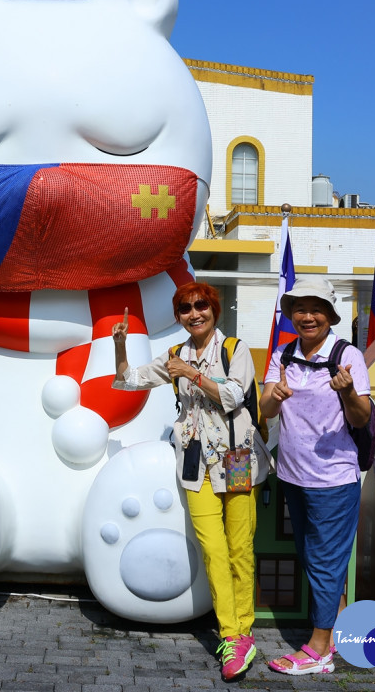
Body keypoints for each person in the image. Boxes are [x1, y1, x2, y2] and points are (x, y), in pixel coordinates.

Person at [112, 281, 268, 682]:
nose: (194, 312)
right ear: (179, 315)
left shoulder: (235, 350)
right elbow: (129, 379)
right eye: (185, 307)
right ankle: (232, 635)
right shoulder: (175, 355)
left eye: (201, 305)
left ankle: (243, 631)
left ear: (213, 309)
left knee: (239, 548)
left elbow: (233, 396)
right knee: (213, 550)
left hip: (235, 459)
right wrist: (120, 345)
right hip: (195, 463)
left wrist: (192, 376)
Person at [259, 278, 372, 676]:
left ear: (330, 315)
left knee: (324, 560)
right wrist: (275, 395)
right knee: (314, 556)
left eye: (316, 308)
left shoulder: (348, 355)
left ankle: (319, 648)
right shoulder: (283, 353)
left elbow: (361, 417)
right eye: (300, 309)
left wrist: (346, 392)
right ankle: (338, 627)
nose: (307, 316)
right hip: (292, 474)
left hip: (333, 478)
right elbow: (266, 408)